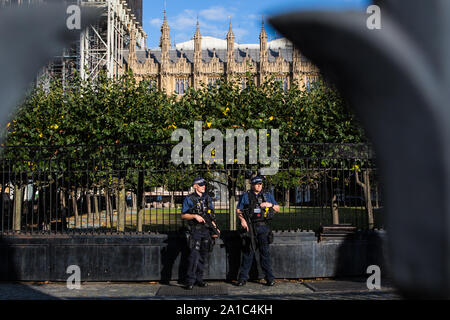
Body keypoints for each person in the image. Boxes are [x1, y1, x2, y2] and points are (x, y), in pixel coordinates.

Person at [236, 176, 280, 287]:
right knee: (248, 254)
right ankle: (242, 279)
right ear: (252, 185)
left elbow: (278, 208)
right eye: (256, 184)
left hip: (263, 227)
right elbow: (238, 210)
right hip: (250, 227)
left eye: (260, 184)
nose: (259, 185)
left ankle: (269, 278)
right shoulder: (246, 196)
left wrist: (269, 204)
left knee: (265, 254)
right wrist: (242, 220)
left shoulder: (267, 195)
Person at [181, 177, 220, 290]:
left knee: (203, 255)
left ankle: (199, 279)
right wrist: (194, 216)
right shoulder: (189, 198)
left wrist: (215, 228)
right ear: (195, 186)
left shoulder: (208, 198)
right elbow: (183, 215)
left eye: (204, 184)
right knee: (194, 256)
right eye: (201, 184)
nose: (204, 186)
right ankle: (190, 281)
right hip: (195, 230)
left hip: (206, 230)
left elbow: (211, 215)